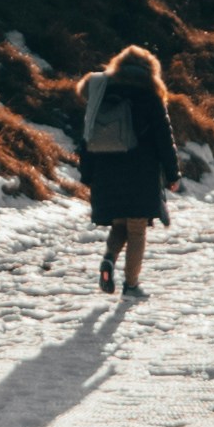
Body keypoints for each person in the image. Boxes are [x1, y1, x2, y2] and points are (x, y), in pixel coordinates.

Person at [77, 44, 179, 294]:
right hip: (140, 173)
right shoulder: (149, 95)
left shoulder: (102, 92)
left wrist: (87, 173)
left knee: (119, 223)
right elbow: (164, 139)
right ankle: (131, 284)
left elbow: (87, 136)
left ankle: (109, 258)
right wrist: (172, 174)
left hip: (106, 170)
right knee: (137, 229)